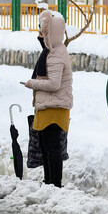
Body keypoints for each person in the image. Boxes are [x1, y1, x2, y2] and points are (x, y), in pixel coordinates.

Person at [23, 10, 73, 188]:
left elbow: (54, 84)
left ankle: (55, 183)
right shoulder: (50, 51)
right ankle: (49, 181)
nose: (39, 36)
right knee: (45, 144)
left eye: (42, 33)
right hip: (48, 104)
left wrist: (32, 84)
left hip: (55, 105)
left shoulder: (56, 54)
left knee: (51, 146)